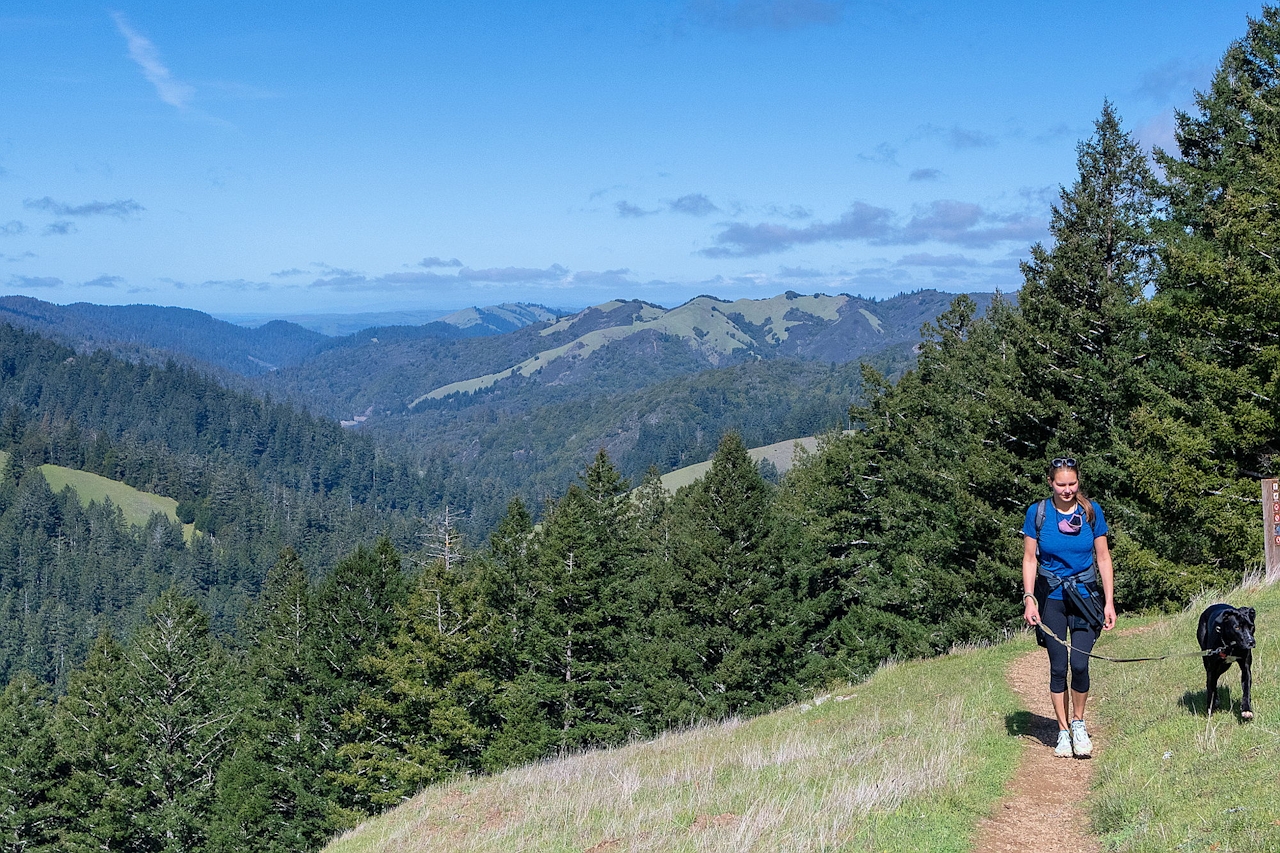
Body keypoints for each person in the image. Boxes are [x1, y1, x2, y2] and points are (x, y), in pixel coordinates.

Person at [1021, 456, 1116, 757]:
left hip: (1086, 597)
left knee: (1080, 664)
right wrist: (1029, 598)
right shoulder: (1038, 514)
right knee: (1059, 666)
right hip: (1052, 599)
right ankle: (1062, 731)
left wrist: (1110, 602)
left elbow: (1103, 558)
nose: (1067, 489)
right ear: (1050, 483)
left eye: (1072, 483)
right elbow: (1029, 559)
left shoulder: (1091, 512)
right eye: (1061, 484)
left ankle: (1079, 723)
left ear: (1078, 482)